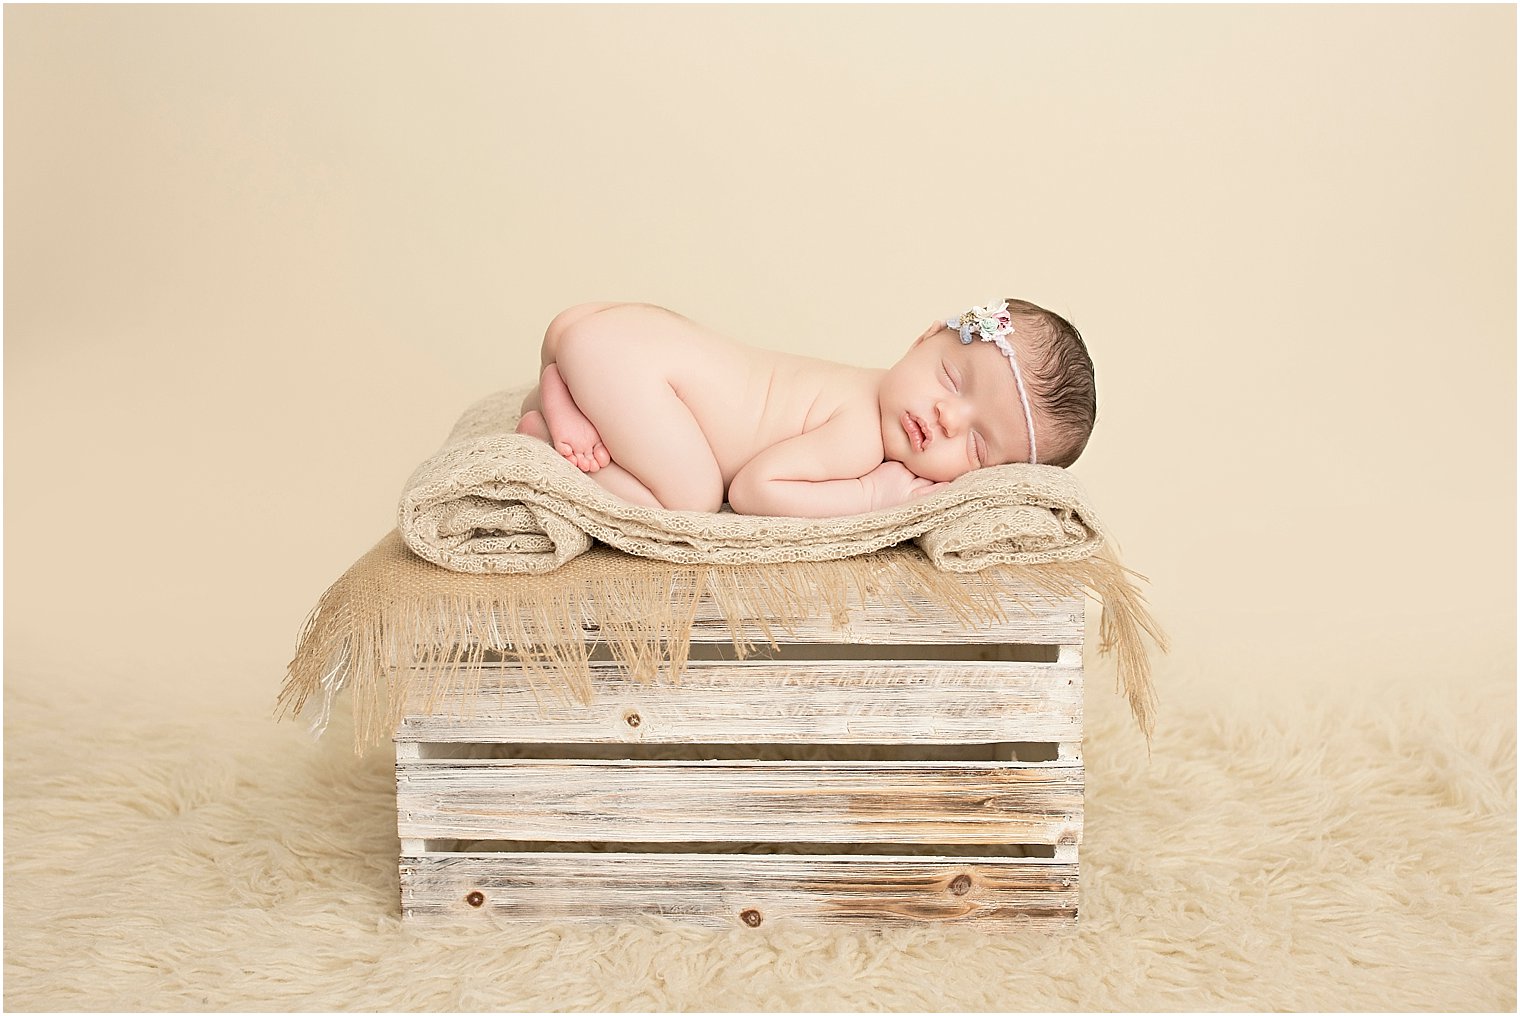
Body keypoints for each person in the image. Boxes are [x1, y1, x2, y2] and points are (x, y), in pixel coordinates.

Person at [515, 299, 1097, 517]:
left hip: (619, 333)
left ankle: (569, 393)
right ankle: (551, 434)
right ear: (925, 337)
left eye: (976, 445)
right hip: (631, 365)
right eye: (951, 378)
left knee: (677, 456)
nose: (947, 417)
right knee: (691, 500)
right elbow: (752, 490)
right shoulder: (861, 438)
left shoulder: (865, 384)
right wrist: (875, 497)